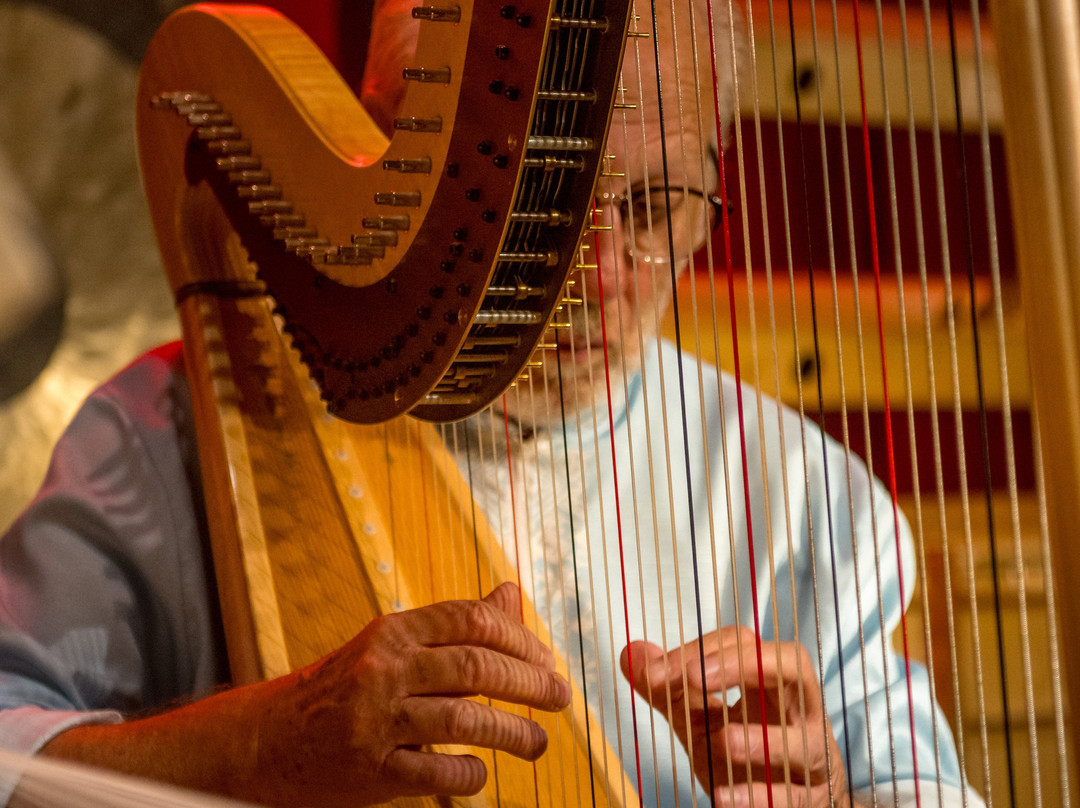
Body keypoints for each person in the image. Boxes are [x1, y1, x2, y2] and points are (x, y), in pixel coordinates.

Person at [0, 1, 983, 807]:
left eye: (656, 205)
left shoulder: (806, 496)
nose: (599, 280)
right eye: (548, 208)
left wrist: (838, 797)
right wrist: (263, 743)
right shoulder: (162, 430)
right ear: (415, 174)